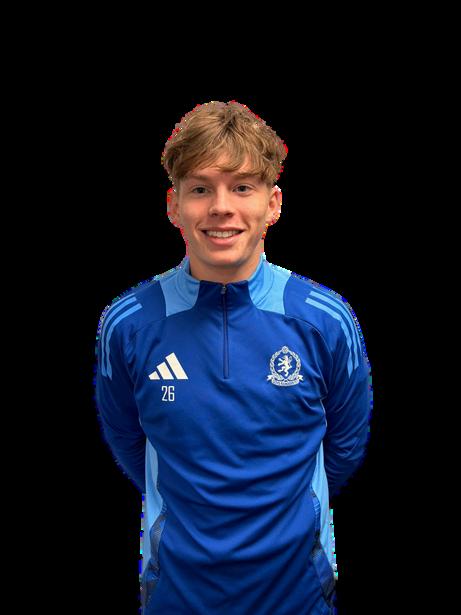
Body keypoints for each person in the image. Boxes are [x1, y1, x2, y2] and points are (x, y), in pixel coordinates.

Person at [94, 100, 373, 614]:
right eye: (201, 188)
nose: (221, 207)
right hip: (178, 594)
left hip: (298, 594)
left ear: (273, 204)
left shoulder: (325, 319)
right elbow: (127, 439)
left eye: (242, 187)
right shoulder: (129, 323)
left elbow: (346, 445)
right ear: (174, 205)